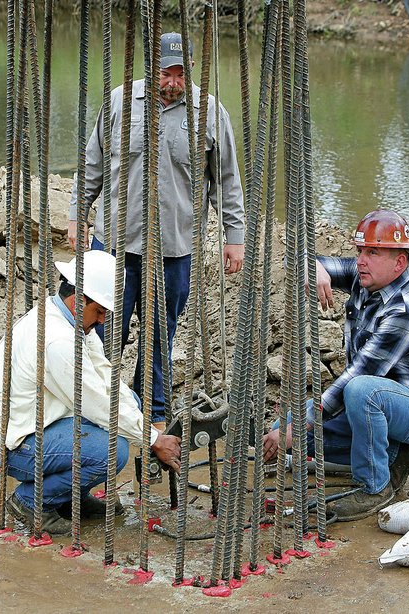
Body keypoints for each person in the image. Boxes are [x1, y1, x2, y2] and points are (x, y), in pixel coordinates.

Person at [69, 32, 245, 427]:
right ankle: (96, 413)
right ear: (151, 68)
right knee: (100, 332)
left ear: (191, 72)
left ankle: (152, 416)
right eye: (166, 72)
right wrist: (77, 214)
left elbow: (227, 181)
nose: (173, 81)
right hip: (114, 243)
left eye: (181, 73)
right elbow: (92, 164)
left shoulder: (210, 112)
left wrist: (235, 237)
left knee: (159, 337)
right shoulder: (119, 101)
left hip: (174, 249)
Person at [262, 210, 409, 521]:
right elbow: (295, 259)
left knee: (358, 391)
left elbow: (361, 373)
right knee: (280, 430)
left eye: (373, 252)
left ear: (399, 263)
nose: (362, 259)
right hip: (373, 405)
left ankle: (376, 487)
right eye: (360, 251)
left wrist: (300, 426)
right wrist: (314, 268)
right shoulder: (367, 277)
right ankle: (392, 453)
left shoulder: (407, 311)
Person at [0, 250, 182, 535]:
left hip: (38, 423)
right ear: (78, 300)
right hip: (12, 444)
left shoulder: (71, 321)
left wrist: (143, 424)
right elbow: (97, 403)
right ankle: (31, 501)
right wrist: (152, 439)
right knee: (111, 452)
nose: (101, 320)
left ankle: (67, 498)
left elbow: (105, 377)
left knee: (130, 404)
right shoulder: (57, 340)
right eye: (99, 311)